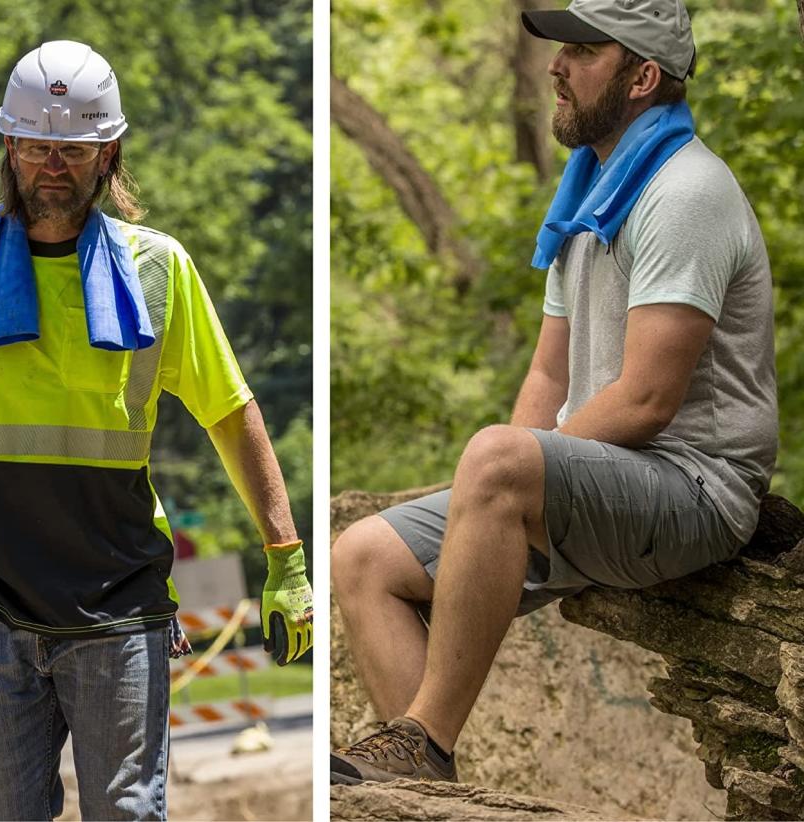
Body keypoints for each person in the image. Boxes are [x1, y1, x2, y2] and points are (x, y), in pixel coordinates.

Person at [0, 40, 312, 819]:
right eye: (36, 145)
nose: (51, 165)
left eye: (73, 148)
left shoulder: (158, 269)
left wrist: (286, 560)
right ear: (9, 146)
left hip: (121, 609)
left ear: (108, 154)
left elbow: (231, 413)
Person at [331, 0, 776, 785]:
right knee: (365, 556)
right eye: (559, 48)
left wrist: (507, 473)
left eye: (582, 51)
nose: (555, 67)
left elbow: (646, 401)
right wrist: (493, 489)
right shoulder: (591, 195)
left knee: (498, 461)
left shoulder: (685, 191)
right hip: (604, 476)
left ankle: (422, 735)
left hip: (696, 486)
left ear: (642, 76)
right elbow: (547, 376)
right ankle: (431, 789)